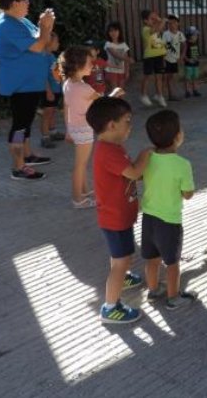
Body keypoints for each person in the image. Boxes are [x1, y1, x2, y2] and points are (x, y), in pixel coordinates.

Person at [86, 97, 151, 324]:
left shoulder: (113, 147)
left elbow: (129, 174)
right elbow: (133, 173)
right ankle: (111, 307)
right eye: (127, 121)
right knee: (121, 260)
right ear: (112, 125)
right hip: (114, 218)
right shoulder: (107, 151)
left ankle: (122, 278)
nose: (130, 126)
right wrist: (146, 155)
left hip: (120, 215)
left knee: (122, 255)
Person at [0, 0, 54, 180]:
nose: (28, 3)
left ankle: (27, 155)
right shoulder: (7, 25)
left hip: (30, 83)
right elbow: (38, 45)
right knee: (19, 126)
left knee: (25, 123)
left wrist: (45, 29)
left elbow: (44, 43)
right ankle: (18, 168)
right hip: (20, 85)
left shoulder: (20, 20)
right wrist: (46, 27)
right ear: (15, 3)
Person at [141, 110, 197, 311]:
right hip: (169, 221)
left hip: (148, 218)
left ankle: (154, 289)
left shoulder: (148, 158)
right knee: (172, 263)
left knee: (152, 259)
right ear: (177, 137)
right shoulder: (182, 164)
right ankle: (173, 297)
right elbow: (188, 193)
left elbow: (140, 177)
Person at [61, 46, 119, 209]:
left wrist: (68, 129)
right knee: (80, 165)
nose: (92, 66)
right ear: (78, 65)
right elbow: (103, 102)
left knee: (82, 163)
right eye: (88, 63)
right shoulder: (84, 88)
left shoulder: (68, 84)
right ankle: (78, 199)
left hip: (74, 128)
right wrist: (115, 92)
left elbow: (66, 107)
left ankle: (84, 191)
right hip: (83, 130)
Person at [39, 32, 65, 149]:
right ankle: (45, 137)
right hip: (49, 91)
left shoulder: (52, 56)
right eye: (56, 42)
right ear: (49, 43)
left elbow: (56, 73)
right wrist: (48, 91)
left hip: (56, 89)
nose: (58, 44)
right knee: (47, 113)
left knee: (52, 111)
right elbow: (42, 76)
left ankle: (53, 132)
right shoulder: (43, 58)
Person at [140, 9, 167, 107]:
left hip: (159, 55)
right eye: (152, 19)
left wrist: (157, 19)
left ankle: (159, 95)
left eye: (154, 18)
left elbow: (159, 31)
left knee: (159, 76)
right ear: (145, 21)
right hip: (149, 57)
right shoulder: (146, 29)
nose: (154, 20)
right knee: (147, 76)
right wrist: (161, 21)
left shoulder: (155, 27)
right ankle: (143, 95)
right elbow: (156, 30)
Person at [162, 14, 186, 101]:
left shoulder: (180, 34)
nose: (172, 25)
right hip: (167, 58)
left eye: (174, 23)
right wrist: (163, 59)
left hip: (175, 59)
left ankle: (170, 94)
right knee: (165, 77)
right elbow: (163, 46)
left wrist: (182, 56)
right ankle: (163, 94)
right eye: (170, 23)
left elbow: (184, 45)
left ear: (178, 24)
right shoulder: (166, 34)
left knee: (171, 76)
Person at [104, 22, 133, 92]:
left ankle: (119, 103)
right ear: (108, 33)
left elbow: (126, 59)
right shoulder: (108, 44)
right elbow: (115, 55)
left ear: (119, 32)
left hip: (121, 70)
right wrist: (128, 59)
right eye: (111, 31)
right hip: (111, 70)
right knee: (114, 91)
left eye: (115, 30)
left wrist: (127, 71)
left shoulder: (123, 44)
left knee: (121, 90)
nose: (113, 33)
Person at [183, 26, 202, 98]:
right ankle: (187, 91)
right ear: (190, 36)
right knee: (188, 78)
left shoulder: (195, 44)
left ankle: (195, 90)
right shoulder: (187, 44)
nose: (196, 37)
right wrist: (188, 60)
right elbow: (184, 55)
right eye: (195, 35)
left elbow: (196, 53)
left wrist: (197, 58)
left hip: (195, 64)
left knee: (195, 77)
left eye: (196, 35)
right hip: (189, 64)